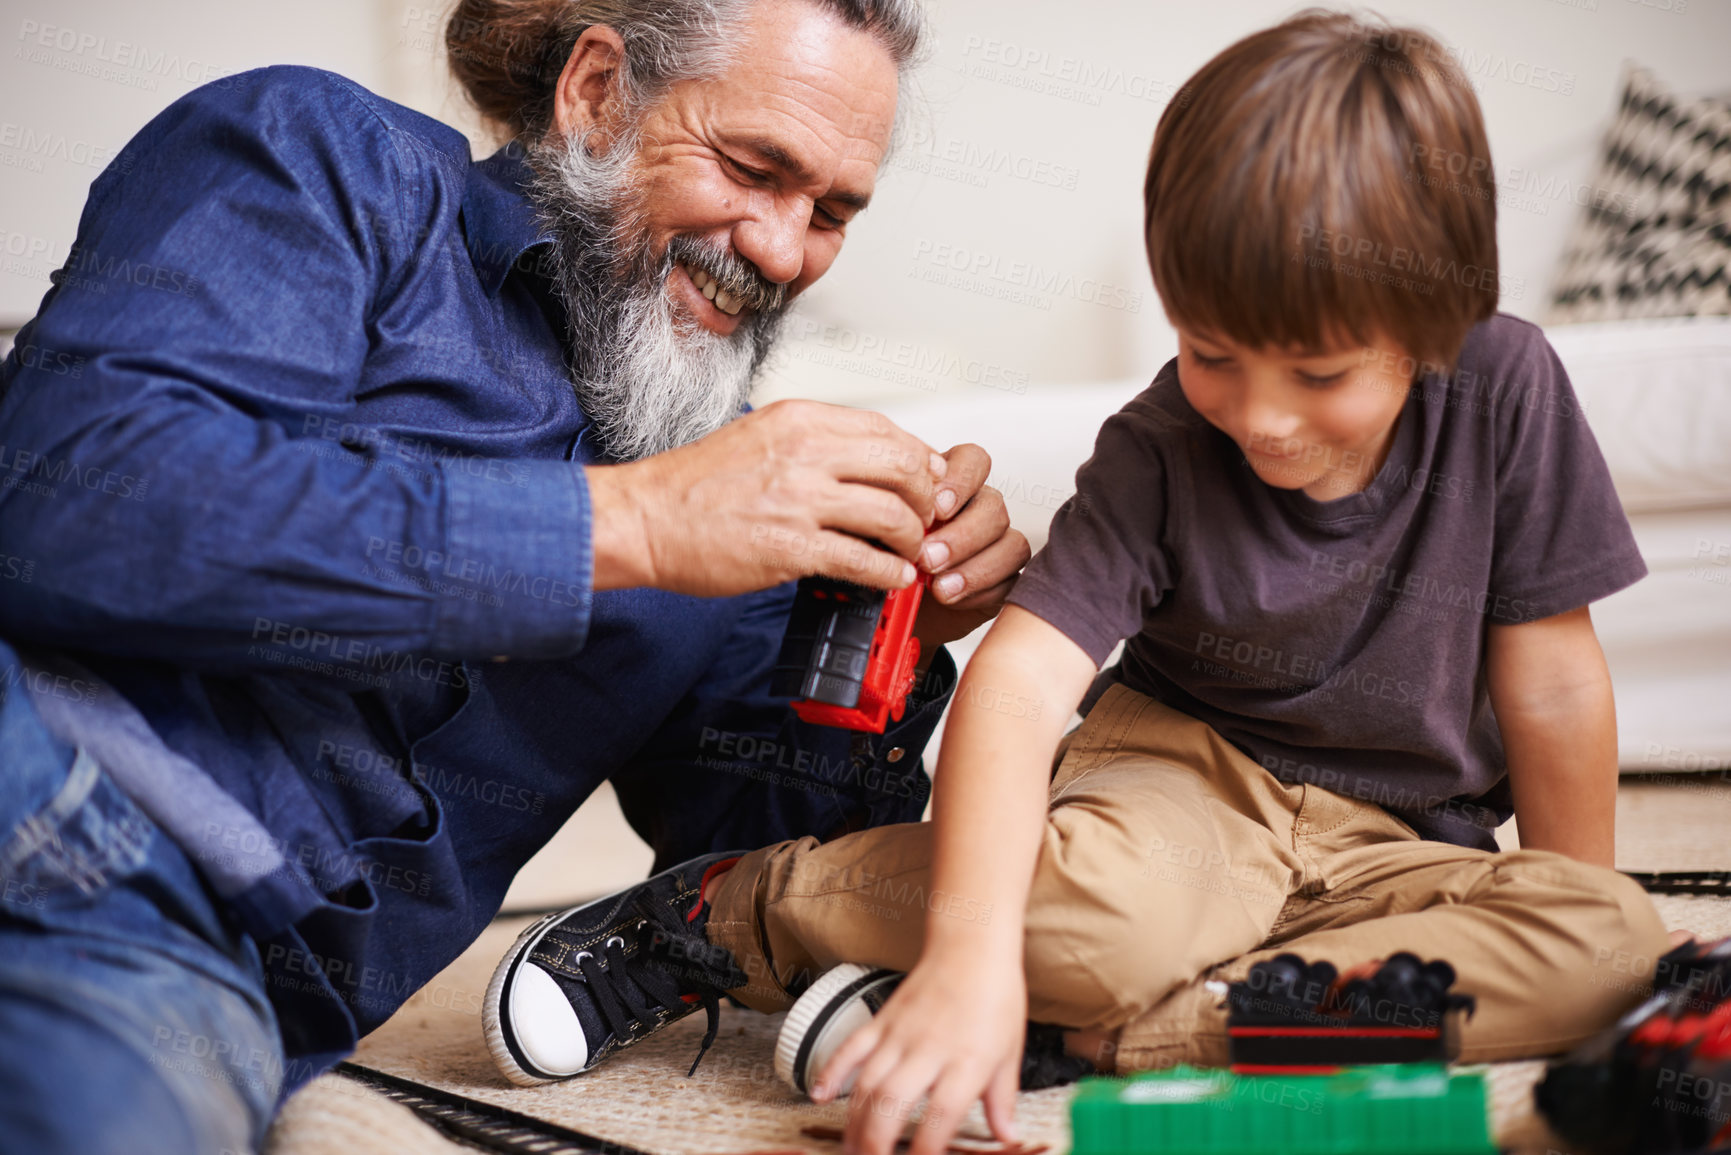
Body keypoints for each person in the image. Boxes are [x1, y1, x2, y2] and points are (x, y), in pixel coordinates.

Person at [488, 11, 1674, 1155]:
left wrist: (1568, 925)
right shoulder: (1159, 444)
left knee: (1616, 948)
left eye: (1316, 373)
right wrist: (968, 963)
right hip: (1186, 796)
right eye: (1211, 354)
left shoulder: (1510, 386)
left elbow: (1556, 681)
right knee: (1087, 925)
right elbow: (1016, 688)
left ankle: (1115, 1032)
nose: (1259, 417)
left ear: (1438, 323)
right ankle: (745, 907)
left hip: (1400, 847)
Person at [0, 0, 1032, 1150]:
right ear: (596, 92)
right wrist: (624, 525)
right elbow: (65, 497)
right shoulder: (334, 160)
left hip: (183, 980)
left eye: (832, 212)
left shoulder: (735, 500)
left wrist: (898, 636)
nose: (784, 253)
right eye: (752, 167)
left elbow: (761, 881)